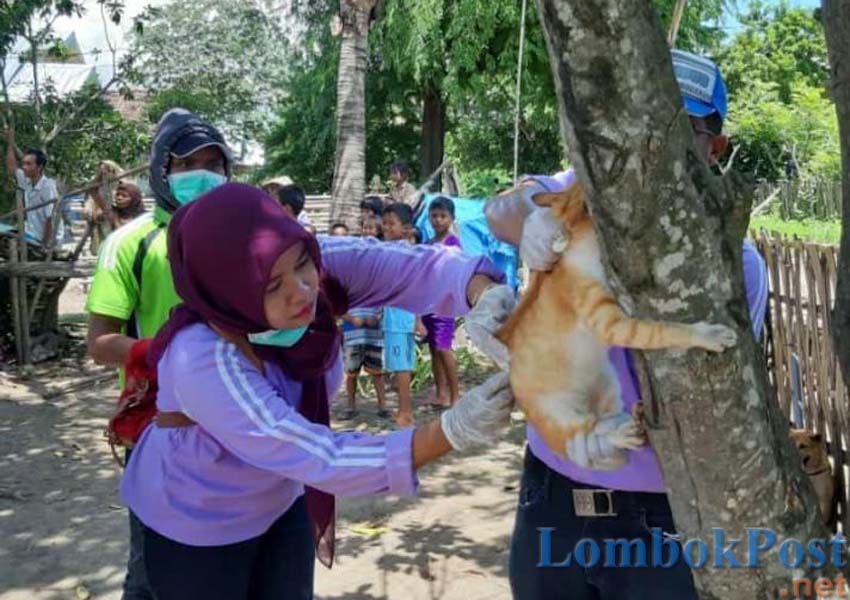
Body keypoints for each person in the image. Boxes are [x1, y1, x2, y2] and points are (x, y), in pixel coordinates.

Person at [472, 49, 769, 599]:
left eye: (682, 129)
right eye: (638, 118)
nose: (651, 143)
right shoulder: (583, 193)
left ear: (715, 148)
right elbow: (502, 207)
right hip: (550, 494)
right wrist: (534, 217)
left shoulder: (735, 266)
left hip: (660, 516)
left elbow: (711, 401)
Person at [122, 183, 514, 599]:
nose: (302, 290)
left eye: (302, 263)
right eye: (272, 286)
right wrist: (452, 431)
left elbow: (408, 266)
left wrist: (482, 292)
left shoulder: (308, 263)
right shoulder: (201, 355)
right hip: (197, 521)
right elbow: (316, 455)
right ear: (228, 292)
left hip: (280, 497)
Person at [85, 108, 233, 600]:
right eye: (187, 163)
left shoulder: (242, 237)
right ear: (161, 169)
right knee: (151, 566)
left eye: (213, 163)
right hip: (158, 425)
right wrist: (169, 353)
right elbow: (99, 341)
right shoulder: (131, 243)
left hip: (234, 420)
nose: (202, 174)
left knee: (228, 553)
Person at [381, 203, 419, 427]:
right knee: (403, 364)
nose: (386, 227)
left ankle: (405, 412)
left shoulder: (399, 253)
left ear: (405, 228)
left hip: (399, 318)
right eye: (384, 223)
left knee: (400, 366)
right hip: (399, 317)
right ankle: (405, 409)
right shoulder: (403, 251)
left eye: (391, 223)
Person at [422, 197, 462, 409]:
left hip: (445, 304)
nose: (438, 220)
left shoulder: (453, 243)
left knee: (444, 347)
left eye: (443, 216)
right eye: (434, 216)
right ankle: (440, 394)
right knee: (433, 349)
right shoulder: (428, 243)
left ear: (451, 218)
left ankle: (455, 396)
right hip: (428, 303)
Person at [4, 126, 64, 247]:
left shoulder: (47, 187)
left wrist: (44, 245)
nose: (24, 167)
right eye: (23, 163)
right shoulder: (26, 181)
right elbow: (12, 167)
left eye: (28, 164)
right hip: (33, 236)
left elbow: (50, 219)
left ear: (40, 167)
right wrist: (10, 144)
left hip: (48, 241)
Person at [339, 305, 387, 420]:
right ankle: (351, 407)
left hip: (373, 337)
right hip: (352, 337)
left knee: (377, 373)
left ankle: (383, 407)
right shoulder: (346, 294)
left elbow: (385, 307)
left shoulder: (376, 294)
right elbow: (337, 309)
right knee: (351, 374)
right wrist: (352, 319)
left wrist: (377, 317)